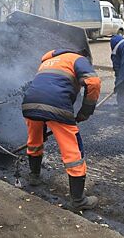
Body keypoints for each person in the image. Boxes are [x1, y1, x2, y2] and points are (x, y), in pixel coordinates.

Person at [22, 49, 101, 211]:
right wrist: (86, 111)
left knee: (34, 141)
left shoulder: (47, 61)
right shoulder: (78, 59)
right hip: (56, 105)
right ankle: (78, 200)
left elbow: (46, 86)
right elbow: (93, 82)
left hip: (29, 102)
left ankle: (34, 176)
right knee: (73, 152)